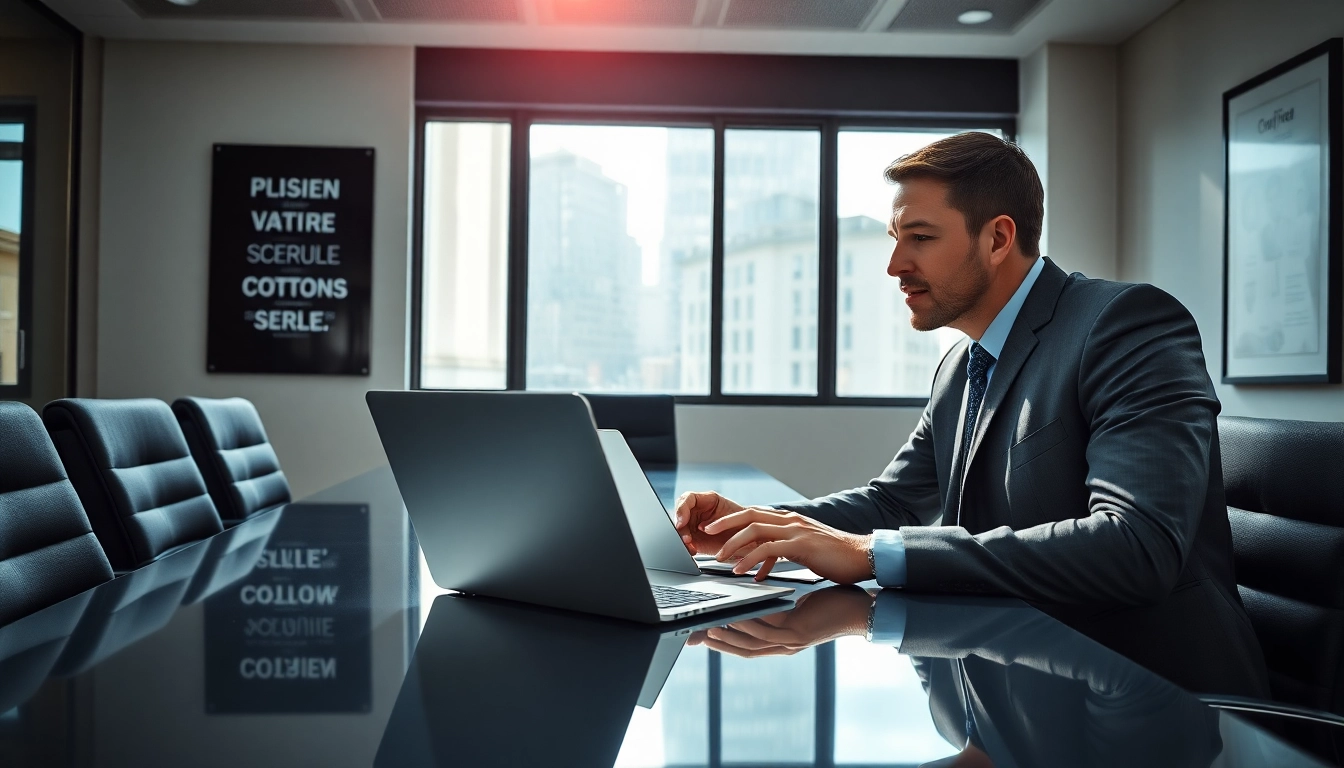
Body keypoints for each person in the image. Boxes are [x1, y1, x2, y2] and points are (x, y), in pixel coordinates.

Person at [673, 132, 1269, 697]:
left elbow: (1135, 546)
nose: (894, 265)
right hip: (1017, 679)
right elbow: (895, 502)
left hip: (1153, 700)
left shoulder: (1125, 324)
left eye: (921, 238)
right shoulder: (962, 364)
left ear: (998, 238)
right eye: (893, 237)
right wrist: (756, 526)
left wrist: (872, 552)